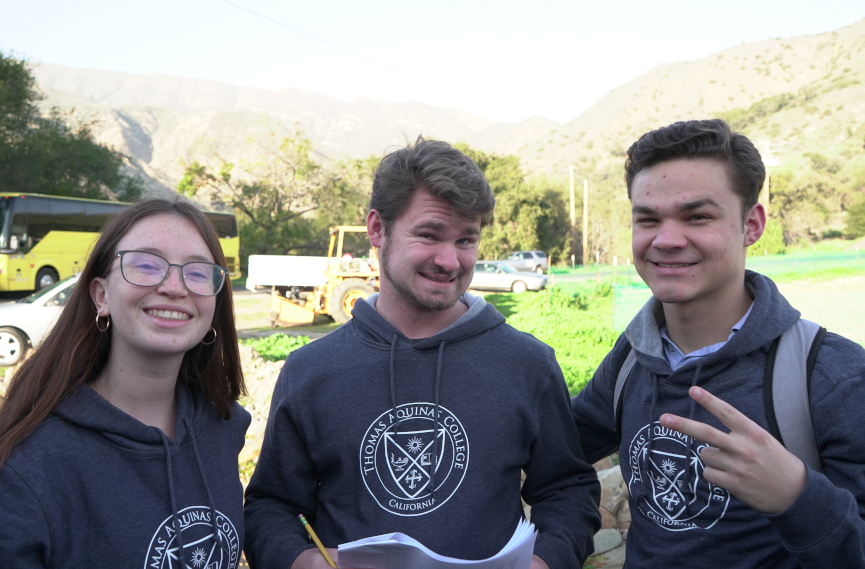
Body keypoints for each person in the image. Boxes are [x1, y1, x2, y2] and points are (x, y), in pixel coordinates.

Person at [571, 119, 865, 568]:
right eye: (648, 219)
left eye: (698, 216)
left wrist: (797, 497)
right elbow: (551, 445)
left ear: (751, 225)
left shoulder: (836, 378)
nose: (667, 239)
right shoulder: (631, 361)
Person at [245, 138, 600, 569]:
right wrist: (303, 562)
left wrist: (545, 562)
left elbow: (568, 490)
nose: (449, 260)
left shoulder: (528, 365)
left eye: (466, 240)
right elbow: (270, 506)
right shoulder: (311, 372)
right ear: (378, 229)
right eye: (429, 234)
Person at [0, 198, 251, 567]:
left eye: (197, 272)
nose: (175, 287)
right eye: (145, 264)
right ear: (101, 296)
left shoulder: (222, 428)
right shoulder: (17, 472)